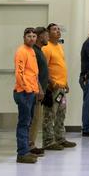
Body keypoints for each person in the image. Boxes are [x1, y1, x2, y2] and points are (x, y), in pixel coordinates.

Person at [42, 22, 77, 150]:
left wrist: (65, 83)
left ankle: (60, 138)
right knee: (50, 115)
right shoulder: (46, 48)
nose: (57, 31)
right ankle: (48, 141)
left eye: (58, 29)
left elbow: (60, 66)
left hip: (61, 87)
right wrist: (52, 83)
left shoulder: (59, 47)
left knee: (61, 114)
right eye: (54, 30)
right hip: (53, 87)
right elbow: (44, 69)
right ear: (48, 33)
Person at [14, 28, 40, 163]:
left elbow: (33, 73)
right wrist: (27, 88)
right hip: (23, 92)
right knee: (24, 123)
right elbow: (19, 73)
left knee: (28, 122)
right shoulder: (21, 51)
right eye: (29, 36)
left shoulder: (32, 51)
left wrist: (34, 89)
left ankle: (26, 150)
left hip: (30, 92)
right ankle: (22, 153)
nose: (32, 38)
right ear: (24, 37)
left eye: (34, 36)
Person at [29, 26, 51, 157]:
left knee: (37, 118)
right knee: (34, 118)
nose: (48, 38)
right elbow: (33, 73)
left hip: (40, 90)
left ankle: (32, 143)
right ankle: (30, 145)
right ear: (41, 36)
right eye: (46, 35)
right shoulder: (34, 52)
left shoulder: (39, 51)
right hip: (35, 91)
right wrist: (39, 89)